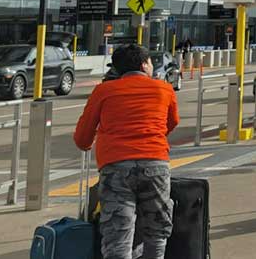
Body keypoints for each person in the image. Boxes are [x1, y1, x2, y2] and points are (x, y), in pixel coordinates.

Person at [73, 44, 179, 259]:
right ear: (143, 64)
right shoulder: (164, 89)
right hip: (155, 164)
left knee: (118, 233)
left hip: (115, 166)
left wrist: (87, 144)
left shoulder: (104, 91)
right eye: (150, 62)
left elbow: (83, 135)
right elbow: (172, 122)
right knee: (156, 231)